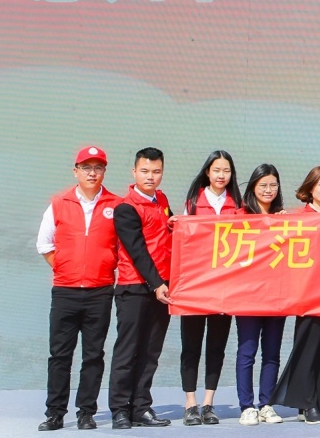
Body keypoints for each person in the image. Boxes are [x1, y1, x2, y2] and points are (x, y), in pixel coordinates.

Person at [36, 146, 122, 432]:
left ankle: (86, 412)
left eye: (98, 167)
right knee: (60, 355)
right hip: (65, 291)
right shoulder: (59, 203)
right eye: (86, 167)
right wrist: (65, 268)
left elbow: (124, 245)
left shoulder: (116, 205)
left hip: (100, 291)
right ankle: (55, 413)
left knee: (93, 355)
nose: (92, 173)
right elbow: (44, 244)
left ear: (104, 172)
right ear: (76, 171)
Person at [271, 166, 320, 424]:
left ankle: (310, 401)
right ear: (310, 188)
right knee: (309, 347)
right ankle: (308, 404)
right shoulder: (301, 217)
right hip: (310, 295)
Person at [108, 147, 174, 430]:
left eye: (156, 171)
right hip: (134, 288)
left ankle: (141, 407)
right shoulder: (126, 208)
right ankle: (119, 409)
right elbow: (137, 251)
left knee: (151, 352)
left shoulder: (162, 200)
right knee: (128, 351)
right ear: (134, 172)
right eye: (145, 171)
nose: (150, 177)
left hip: (162, 288)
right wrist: (156, 283)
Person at [179, 150, 242, 426]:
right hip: (195, 286)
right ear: (207, 172)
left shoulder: (237, 204)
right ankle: (190, 404)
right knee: (191, 346)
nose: (221, 175)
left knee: (216, 346)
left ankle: (208, 403)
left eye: (226, 171)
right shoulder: (193, 202)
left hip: (224, 288)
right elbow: (182, 242)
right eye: (216, 170)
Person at [235, 164, 287, 426]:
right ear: (253, 187)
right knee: (247, 352)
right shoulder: (240, 216)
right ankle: (247, 406)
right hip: (248, 295)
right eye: (263, 185)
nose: (268, 190)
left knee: (272, 353)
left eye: (273, 185)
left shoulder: (285, 218)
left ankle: (266, 404)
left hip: (277, 294)